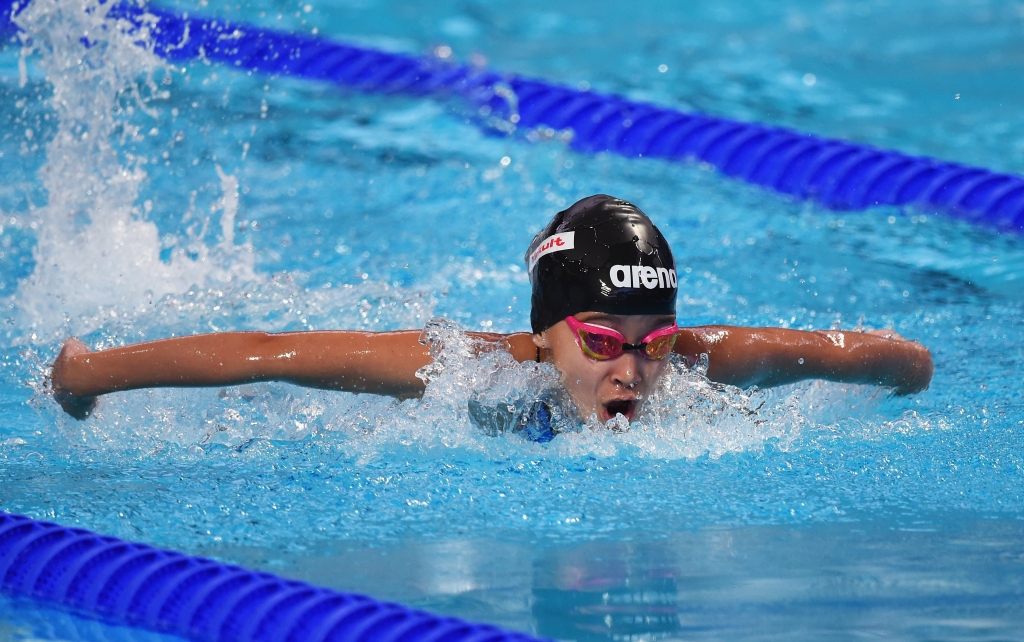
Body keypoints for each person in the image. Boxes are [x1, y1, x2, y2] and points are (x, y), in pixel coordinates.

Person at [50, 195, 934, 434]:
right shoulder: (472, 369)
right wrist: (87, 374)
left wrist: (906, 372)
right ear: (546, 334)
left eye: (652, 343)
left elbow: (862, 354)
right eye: (598, 342)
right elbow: (274, 352)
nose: (632, 370)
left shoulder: (702, 362)